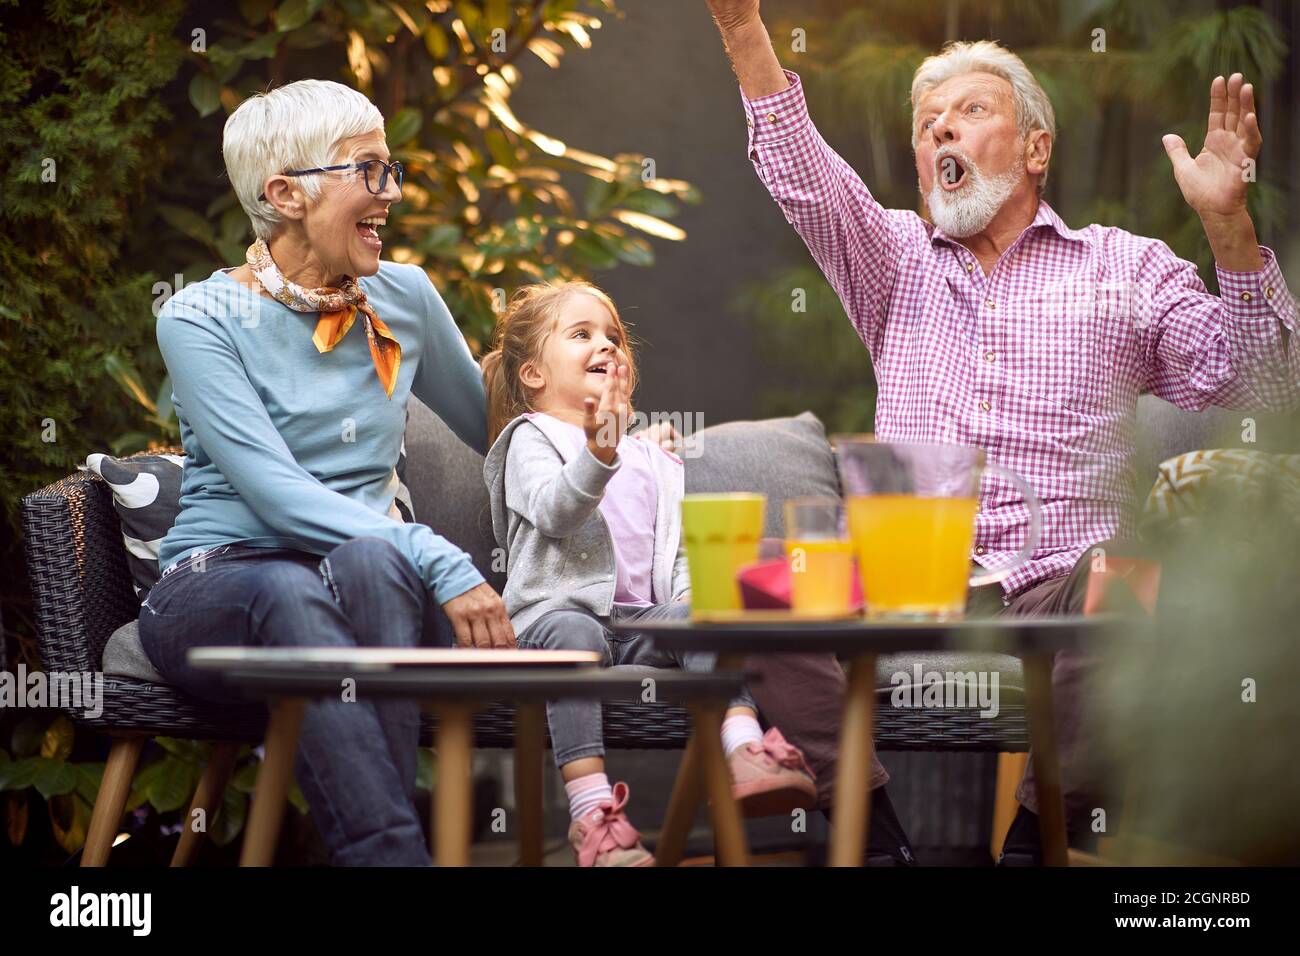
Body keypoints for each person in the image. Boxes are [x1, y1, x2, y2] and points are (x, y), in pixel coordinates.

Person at [703, 0, 1299, 863]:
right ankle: (871, 835)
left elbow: (1266, 387)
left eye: (971, 110)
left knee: (1132, 581)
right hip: (903, 575)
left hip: (1062, 582)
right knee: (754, 588)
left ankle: (1040, 835)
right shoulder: (893, 257)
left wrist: (1227, 227)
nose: (942, 127)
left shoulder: (1123, 266)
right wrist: (740, 29)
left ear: (1035, 149)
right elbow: (802, 169)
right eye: (926, 123)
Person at [140, 78, 515, 865]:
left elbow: (500, 432)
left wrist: (603, 442)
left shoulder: (403, 296)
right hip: (221, 586)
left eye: (392, 169)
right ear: (285, 194)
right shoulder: (199, 318)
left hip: (362, 581)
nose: (392, 193)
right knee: (295, 584)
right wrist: (435, 552)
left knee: (375, 559)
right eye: (368, 171)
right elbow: (274, 493)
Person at [482, 281, 820, 866]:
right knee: (574, 633)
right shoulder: (529, 440)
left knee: (704, 618)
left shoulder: (652, 458)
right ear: (533, 374)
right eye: (582, 334)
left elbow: (679, 557)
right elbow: (555, 512)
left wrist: (695, 606)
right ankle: (593, 814)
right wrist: (600, 452)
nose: (607, 346)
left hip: (639, 620)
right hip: (554, 619)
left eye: (614, 337)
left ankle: (744, 747)